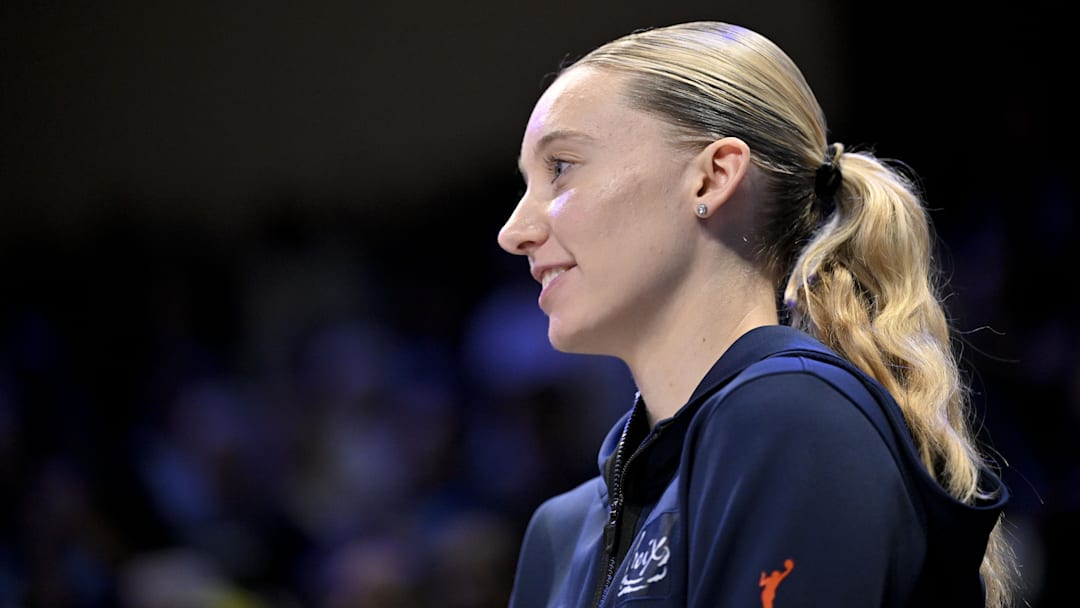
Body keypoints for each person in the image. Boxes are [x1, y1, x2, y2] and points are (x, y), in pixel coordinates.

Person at [496, 21, 1019, 608]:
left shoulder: (796, 417)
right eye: (526, 184)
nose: (514, 232)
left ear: (715, 175)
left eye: (561, 167)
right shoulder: (559, 535)